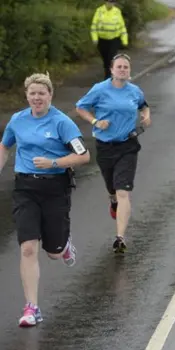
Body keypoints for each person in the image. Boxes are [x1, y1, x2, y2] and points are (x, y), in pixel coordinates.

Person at [0, 73, 90, 327]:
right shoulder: (18, 120)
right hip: (25, 189)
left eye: (42, 93)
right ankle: (32, 308)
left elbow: (83, 156)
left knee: (53, 252)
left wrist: (54, 162)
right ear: (26, 95)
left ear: (50, 95)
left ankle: (64, 245)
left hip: (55, 189)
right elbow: (5, 146)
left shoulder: (62, 122)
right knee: (28, 247)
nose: (37, 98)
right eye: (32, 93)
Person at [75, 53, 151, 253]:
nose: (123, 70)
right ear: (111, 70)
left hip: (128, 145)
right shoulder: (99, 90)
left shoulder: (134, 91)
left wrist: (146, 116)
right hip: (105, 146)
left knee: (123, 191)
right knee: (112, 188)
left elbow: (144, 105)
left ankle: (120, 237)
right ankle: (112, 199)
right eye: (119, 67)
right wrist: (95, 122)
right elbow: (80, 108)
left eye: (126, 67)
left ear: (129, 70)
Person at [91, 0, 129, 79]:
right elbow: (94, 26)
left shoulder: (117, 12)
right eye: (109, 2)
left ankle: (109, 77)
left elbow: (122, 26)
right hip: (102, 40)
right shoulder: (99, 11)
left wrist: (124, 40)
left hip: (114, 39)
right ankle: (107, 71)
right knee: (105, 59)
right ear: (105, 2)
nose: (111, 4)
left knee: (111, 58)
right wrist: (95, 38)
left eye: (113, 2)